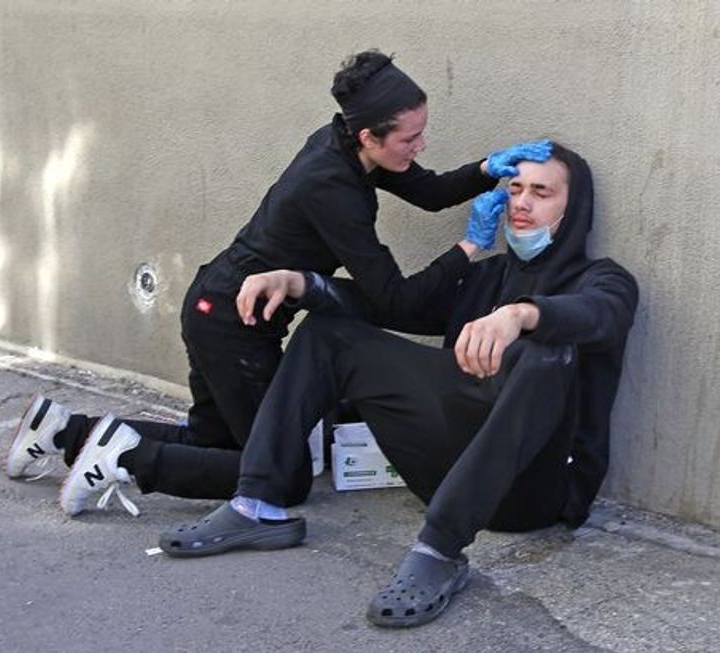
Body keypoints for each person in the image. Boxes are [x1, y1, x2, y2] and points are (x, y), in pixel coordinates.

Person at [3, 49, 552, 516]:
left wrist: (488, 168)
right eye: (411, 137)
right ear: (370, 135)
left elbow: (429, 192)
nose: (421, 145)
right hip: (233, 324)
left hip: (217, 305)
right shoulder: (333, 190)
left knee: (213, 440)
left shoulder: (346, 145)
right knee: (282, 476)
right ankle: (126, 459)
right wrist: (469, 247)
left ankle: (63, 431)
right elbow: (393, 299)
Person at [158, 144, 638, 628]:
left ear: (573, 208)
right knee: (328, 334)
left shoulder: (604, 280)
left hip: (531, 494)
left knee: (546, 353)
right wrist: (303, 282)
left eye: (541, 192)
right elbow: (395, 306)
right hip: (445, 469)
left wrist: (522, 315)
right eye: (514, 189)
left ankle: (440, 551)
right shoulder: (487, 277)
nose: (522, 202)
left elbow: (601, 314)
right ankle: (257, 502)